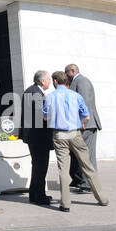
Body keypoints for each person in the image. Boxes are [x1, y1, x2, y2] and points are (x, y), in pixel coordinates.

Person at [43, 71, 108, 210]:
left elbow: (45, 117)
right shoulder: (75, 95)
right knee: (87, 165)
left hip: (59, 135)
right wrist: (80, 121)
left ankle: (65, 204)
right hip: (75, 133)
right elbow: (86, 116)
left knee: (63, 169)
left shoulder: (50, 97)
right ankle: (102, 198)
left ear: (55, 81)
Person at [18, 70, 54, 205]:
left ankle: (35, 194)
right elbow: (41, 115)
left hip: (34, 136)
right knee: (40, 166)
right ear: (42, 81)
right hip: (38, 137)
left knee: (37, 166)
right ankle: (39, 196)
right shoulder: (35, 93)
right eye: (49, 79)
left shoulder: (31, 91)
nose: (50, 82)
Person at [65, 63, 102, 193]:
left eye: (67, 73)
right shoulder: (78, 81)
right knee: (80, 154)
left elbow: (84, 101)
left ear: (73, 71)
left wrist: (82, 121)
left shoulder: (82, 81)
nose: (66, 76)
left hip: (87, 124)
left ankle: (88, 184)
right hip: (85, 124)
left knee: (88, 155)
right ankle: (81, 180)